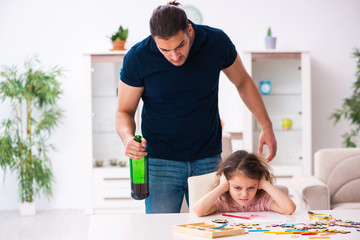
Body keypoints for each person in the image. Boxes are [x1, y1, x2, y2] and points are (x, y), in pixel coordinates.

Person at [115, 1, 277, 213]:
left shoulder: (216, 42)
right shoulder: (138, 57)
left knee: (213, 227)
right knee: (161, 231)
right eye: (165, 50)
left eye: (180, 46)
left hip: (208, 160)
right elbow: (124, 111)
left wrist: (266, 126)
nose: (174, 56)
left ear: (189, 29)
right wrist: (128, 138)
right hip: (160, 161)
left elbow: (243, 81)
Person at [193, 150, 296, 217]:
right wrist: (222, 186)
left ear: (258, 183)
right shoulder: (223, 200)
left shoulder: (262, 199)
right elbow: (199, 211)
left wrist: (265, 184)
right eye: (237, 188)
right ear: (227, 183)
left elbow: (289, 209)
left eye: (251, 187)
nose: (244, 194)